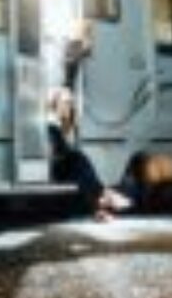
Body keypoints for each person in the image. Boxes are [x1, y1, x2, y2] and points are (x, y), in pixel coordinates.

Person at [47, 87, 132, 221]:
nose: (69, 107)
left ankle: (100, 203)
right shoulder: (51, 127)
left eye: (70, 103)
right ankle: (103, 196)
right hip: (54, 170)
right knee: (78, 159)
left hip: (63, 169)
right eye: (65, 102)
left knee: (81, 168)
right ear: (55, 104)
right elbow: (60, 154)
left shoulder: (62, 127)